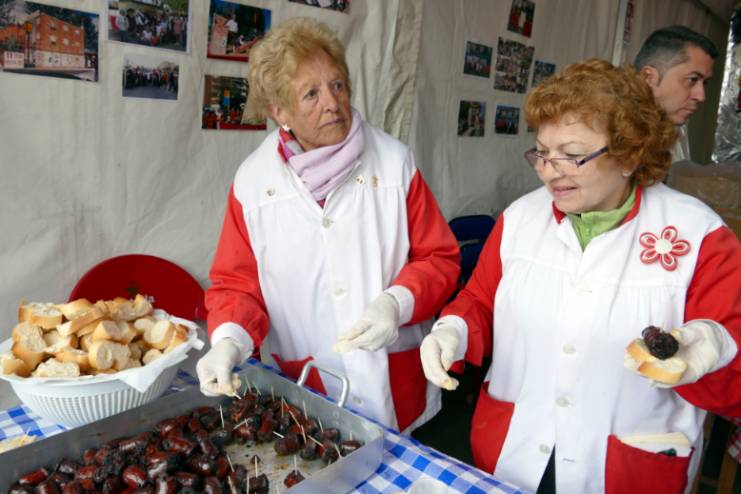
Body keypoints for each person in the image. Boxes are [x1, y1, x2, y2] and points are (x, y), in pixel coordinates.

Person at [420, 59, 741, 493]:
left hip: (627, 465)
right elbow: (479, 301)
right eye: (542, 152)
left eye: (572, 155)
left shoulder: (699, 235)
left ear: (629, 154)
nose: (549, 170)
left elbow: (733, 377)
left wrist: (718, 347)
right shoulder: (520, 218)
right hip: (515, 446)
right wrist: (453, 329)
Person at [196, 17, 460, 433]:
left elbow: (439, 258)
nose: (333, 103)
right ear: (279, 111)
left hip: (392, 377)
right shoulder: (253, 183)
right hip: (308, 379)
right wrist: (229, 340)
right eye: (311, 94)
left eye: (337, 85)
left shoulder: (394, 164)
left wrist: (397, 303)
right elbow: (236, 285)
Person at [634, 25, 718, 162]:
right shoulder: (604, 139)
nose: (701, 96)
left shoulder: (665, 132)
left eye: (705, 83)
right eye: (692, 79)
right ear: (648, 77)